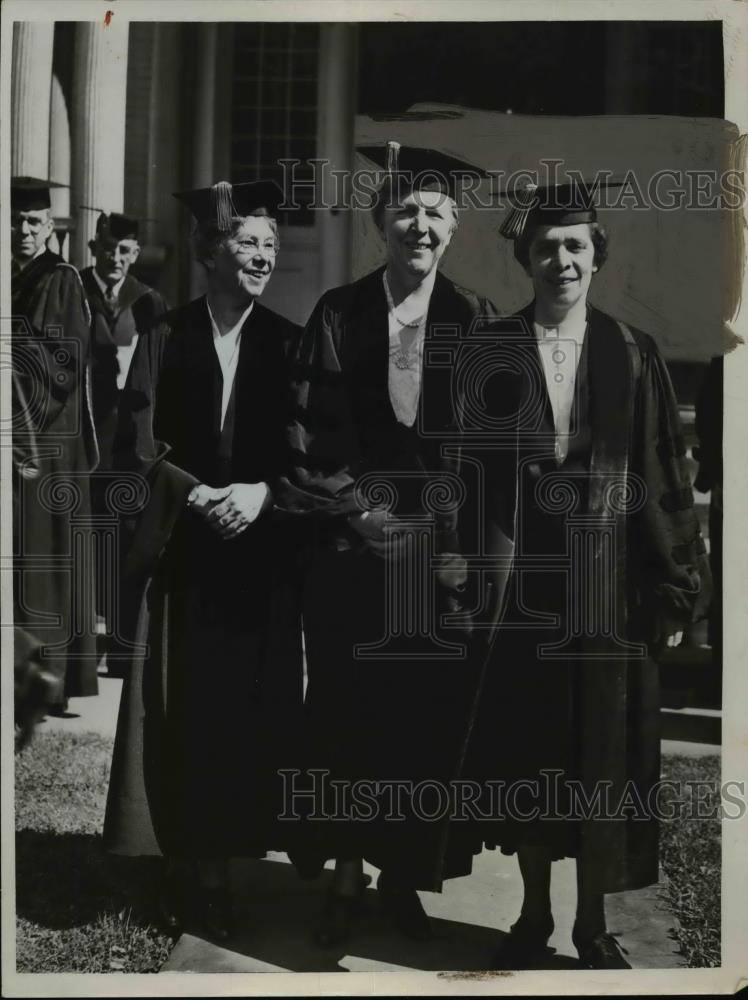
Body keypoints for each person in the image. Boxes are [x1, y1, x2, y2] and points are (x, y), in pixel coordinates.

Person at [468, 178, 710, 969]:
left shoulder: (632, 351)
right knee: (533, 749)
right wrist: (461, 571)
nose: (561, 260)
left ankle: (590, 922)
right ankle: (534, 912)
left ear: (596, 256)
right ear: (525, 259)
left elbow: (665, 469)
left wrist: (677, 581)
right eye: (546, 247)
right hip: (523, 582)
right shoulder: (493, 350)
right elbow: (464, 473)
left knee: (602, 752)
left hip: (610, 581)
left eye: (575, 246)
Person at [277, 142, 501, 946]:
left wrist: (448, 540)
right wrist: (360, 515)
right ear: (380, 221)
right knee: (345, 706)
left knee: (421, 717)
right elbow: (307, 431)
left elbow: (489, 449)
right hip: (352, 547)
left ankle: (403, 872)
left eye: (437, 212)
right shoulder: (339, 313)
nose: (421, 225)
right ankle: (344, 869)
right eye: (406, 210)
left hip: (434, 555)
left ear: (456, 227)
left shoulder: (474, 320)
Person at [102, 180, 305, 942]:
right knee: (174, 707)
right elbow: (137, 438)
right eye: (249, 243)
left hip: (255, 559)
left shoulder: (288, 344)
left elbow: (303, 450)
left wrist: (258, 494)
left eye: (271, 246)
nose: (262, 255)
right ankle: (173, 863)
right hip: (182, 555)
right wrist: (190, 495)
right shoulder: (165, 335)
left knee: (235, 715)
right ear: (212, 252)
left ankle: (217, 871)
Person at [11, 176, 99, 715]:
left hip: (47, 442)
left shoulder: (60, 280)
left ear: (50, 227)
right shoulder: (10, 277)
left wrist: (18, 430)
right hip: (18, 436)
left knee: (50, 561)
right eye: (14, 220)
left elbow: (61, 365)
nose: (22, 229)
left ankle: (52, 678)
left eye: (32, 221)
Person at [80, 211, 169, 674]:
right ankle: (79, 647)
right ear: (93, 248)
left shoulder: (149, 303)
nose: (115, 259)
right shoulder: (74, 291)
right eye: (108, 249)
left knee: (125, 539)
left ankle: (119, 644)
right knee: (84, 539)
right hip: (84, 436)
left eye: (125, 251)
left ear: (135, 254)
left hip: (128, 441)